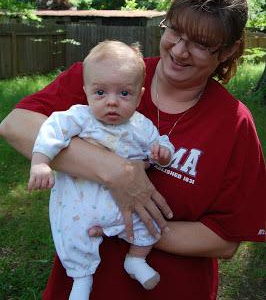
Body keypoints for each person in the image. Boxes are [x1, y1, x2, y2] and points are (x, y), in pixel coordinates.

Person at [0, 0, 265, 300]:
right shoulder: (110, 77)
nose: (179, 51)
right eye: (175, 31)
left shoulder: (233, 123)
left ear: (228, 51)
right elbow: (16, 125)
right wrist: (115, 172)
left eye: (200, 43)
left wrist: (137, 229)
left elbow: (225, 239)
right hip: (82, 288)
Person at [28, 40, 174, 300]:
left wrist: (163, 154)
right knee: (72, 236)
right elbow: (52, 131)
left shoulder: (141, 126)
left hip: (125, 205)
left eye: (124, 94)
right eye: (100, 93)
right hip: (79, 201)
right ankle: (81, 280)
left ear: (139, 95)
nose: (112, 102)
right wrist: (40, 162)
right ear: (85, 91)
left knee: (148, 223)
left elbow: (160, 145)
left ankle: (136, 259)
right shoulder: (79, 117)